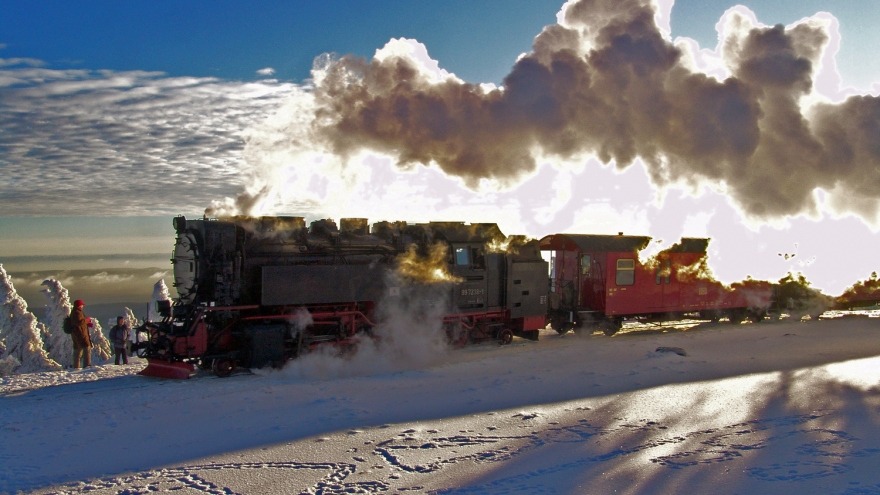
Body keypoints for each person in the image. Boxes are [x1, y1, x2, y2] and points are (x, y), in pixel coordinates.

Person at [70, 299, 92, 368]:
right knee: (86, 349)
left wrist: (87, 324)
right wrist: (87, 320)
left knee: (78, 350)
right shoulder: (77, 313)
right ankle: (87, 366)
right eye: (82, 305)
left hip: (77, 334)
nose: (83, 306)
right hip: (81, 335)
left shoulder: (75, 312)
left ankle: (76, 367)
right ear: (79, 305)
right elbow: (79, 322)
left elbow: (79, 323)